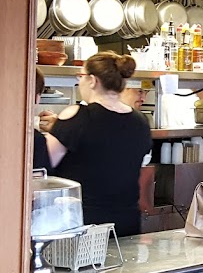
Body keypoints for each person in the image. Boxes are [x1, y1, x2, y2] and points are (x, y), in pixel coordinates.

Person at [44, 52, 153, 237]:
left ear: (93, 80)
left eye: (81, 76)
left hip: (82, 225)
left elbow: (45, 162)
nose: (80, 82)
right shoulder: (140, 121)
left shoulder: (77, 116)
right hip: (126, 224)